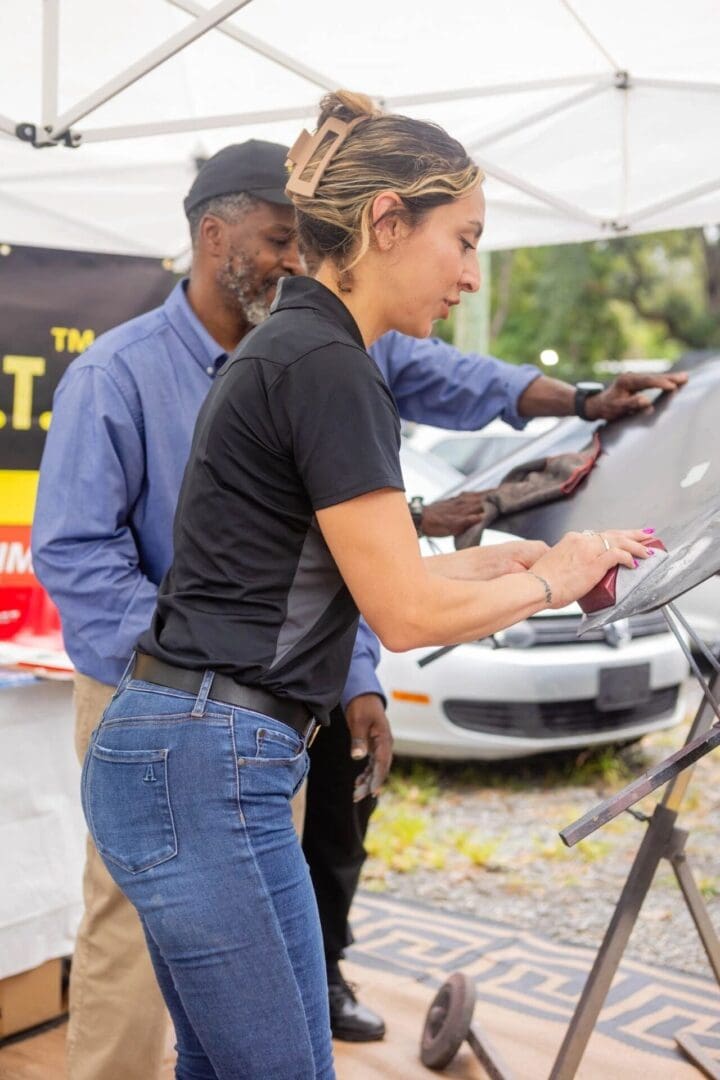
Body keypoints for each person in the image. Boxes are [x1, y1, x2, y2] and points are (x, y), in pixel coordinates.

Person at [31, 134, 687, 1075]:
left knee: (226, 1064)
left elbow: (356, 573)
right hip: (204, 749)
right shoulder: (319, 363)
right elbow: (404, 610)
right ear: (386, 223)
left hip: (206, 746)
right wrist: (549, 581)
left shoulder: (309, 348)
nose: (469, 275)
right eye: (462, 241)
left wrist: (550, 557)